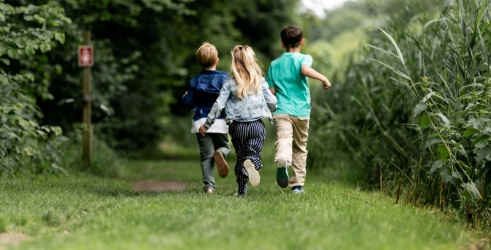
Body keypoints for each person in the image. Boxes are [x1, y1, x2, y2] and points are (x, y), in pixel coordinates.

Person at [199, 45, 277, 196]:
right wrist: (273, 109)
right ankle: (253, 163)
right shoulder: (260, 82)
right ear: (252, 61)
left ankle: (242, 191)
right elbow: (273, 103)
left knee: (241, 157)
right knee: (252, 153)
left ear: (234, 63)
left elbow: (218, 105)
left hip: (237, 127)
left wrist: (207, 124)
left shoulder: (229, 84)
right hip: (256, 126)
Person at [266, 25, 331, 194]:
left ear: (282, 43)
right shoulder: (304, 58)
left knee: (284, 139)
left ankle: (283, 159)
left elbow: (271, 92)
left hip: (281, 110)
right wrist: (323, 78)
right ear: (302, 41)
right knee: (300, 147)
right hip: (301, 111)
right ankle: (297, 186)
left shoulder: (274, 64)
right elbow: (305, 70)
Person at [182, 42, 231, 194]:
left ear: (199, 62)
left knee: (206, 156)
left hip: (200, 121)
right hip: (220, 122)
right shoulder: (225, 78)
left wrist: (184, 96)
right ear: (216, 60)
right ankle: (221, 153)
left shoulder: (195, 81)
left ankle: (209, 187)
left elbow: (188, 101)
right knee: (226, 147)